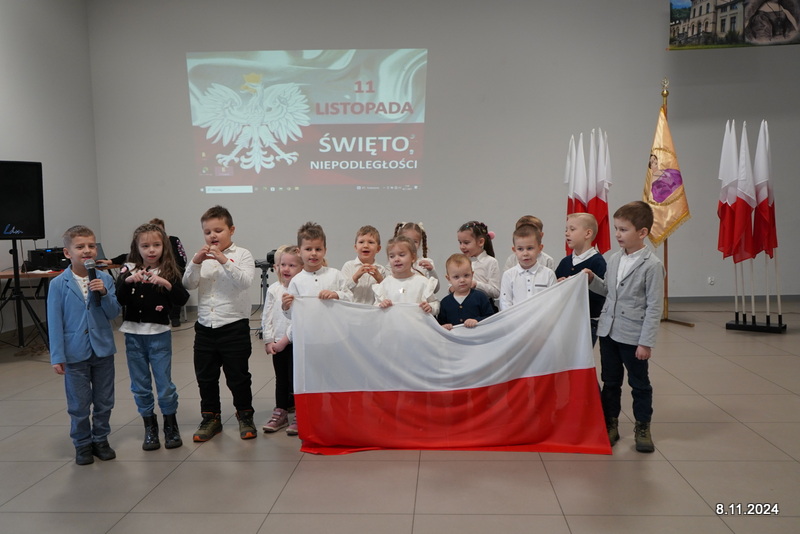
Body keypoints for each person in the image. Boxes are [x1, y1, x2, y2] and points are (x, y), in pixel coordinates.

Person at [584, 201, 665, 453]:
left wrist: (646, 342)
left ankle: (643, 427)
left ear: (642, 232)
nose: (617, 234)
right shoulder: (614, 258)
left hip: (633, 336)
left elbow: (654, 307)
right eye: (616, 229)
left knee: (639, 384)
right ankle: (610, 424)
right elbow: (609, 291)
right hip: (608, 331)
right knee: (610, 381)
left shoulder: (652, 265)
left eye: (623, 229)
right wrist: (592, 279)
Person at [47, 225, 122, 465]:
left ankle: (101, 439)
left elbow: (114, 313)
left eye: (91, 246)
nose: (87, 251)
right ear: (67, 252)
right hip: (74, 353)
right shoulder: (58, 284)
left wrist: (105, 294)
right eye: (80, 247)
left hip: (103, 350)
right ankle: (82, 443)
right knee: (79, 403)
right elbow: (54, 322)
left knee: (104, 400)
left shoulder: (105, 278)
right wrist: (57, 355)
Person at [182, 205, 256, 442]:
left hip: (234, 326)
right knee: (206, 377)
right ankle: (211, 418)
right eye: (207, 232)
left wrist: (224, 260)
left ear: (231, 230)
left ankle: (245, 416)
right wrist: (195, 262)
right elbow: (188, 284)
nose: (212, 236)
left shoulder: (242, 254)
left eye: (218, 230)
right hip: (205, 326)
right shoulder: (201, 257)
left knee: (238, 377)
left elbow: (244, 282)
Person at [116, 223, 190, 450]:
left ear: (164, 246)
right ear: (136, 247)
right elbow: (119, 298)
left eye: (156, 245)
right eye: (145, 246)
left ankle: (170, 425)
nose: (151, 250)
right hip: (133, 336)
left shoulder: (169, 270)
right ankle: (149, 426)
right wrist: (128, 281)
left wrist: (165, 284)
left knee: (164, 384)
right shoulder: (128, 269)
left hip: (159, 336)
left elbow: (182, 298)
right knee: (140, 384)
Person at [282, 221, 352, 436]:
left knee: (336, 380)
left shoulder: (335, 275)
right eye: (308, 249)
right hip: (309, 342)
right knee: (312, 381)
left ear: (325, 250)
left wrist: (337, 294)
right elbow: (292, 317)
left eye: (318, 249)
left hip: (334, 339)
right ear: (299, 251)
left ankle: (338, 418)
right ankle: (311, 418)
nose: (313, 253)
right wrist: (286, 307)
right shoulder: (296, 281)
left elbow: (350, 298)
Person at [261, 245, 303, 434]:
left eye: (292, 265)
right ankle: (281, 411)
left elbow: (297, 320)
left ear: (302, 267)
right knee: (281, 379)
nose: (286, 269)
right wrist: (269, 340)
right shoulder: (274, 289)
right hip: (278, 343)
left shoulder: (300, 291)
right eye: (282, 264)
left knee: (296, 380)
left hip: (296, 343)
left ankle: (301, 414)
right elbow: (267, 316)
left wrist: (284, 341)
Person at [555, 213, 607, 346]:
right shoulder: (565, 262)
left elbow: (603, 292)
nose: (567, 233)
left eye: (572, 229)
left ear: (588, 233)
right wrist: (558, 285)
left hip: (588, 321)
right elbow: (554, 288)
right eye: (566, 229)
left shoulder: (597, 261)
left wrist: (588, 281)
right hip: (566, 319)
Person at [374, 235, 439, 315]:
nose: (396, 259)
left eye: (401, 255)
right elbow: (375, 307)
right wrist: (380, 305)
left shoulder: (422, 282)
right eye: (392, 256)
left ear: (413, 257)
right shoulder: (385, 284)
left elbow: (435, 303)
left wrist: (430, 307)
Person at [499, 224, 556, 311]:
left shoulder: (548, 274)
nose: (525, 253)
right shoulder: (508, 275)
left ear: (540, 248)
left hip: (542, 318)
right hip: (516, 319)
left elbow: (553, 302)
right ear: (514, 250)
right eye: (520, 249)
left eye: (530, 248)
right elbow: (505, 303)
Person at [438, 253, 495, 330]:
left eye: (466, 275)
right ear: (448, 279)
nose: (462, 280)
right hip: (455, 337)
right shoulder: (445, 302)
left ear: (472, 274)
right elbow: (440, 324)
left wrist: (477, 320)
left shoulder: (480, 297)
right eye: (456, 277)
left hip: (477, 336)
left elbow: (491, 318)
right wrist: (445, 326)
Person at [149, 218, 188, 327]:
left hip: (174, 270)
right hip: (157, 271)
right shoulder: (151, 245)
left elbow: (183, 258)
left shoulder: (174, 240)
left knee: (174, 280)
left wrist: (172, 268)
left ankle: (175, 316)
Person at [341, 225, 387, 305]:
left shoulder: (381, 270)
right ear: (355, 247)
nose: (365, 246)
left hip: (372, 311)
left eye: (371, 242)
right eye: (361, 242)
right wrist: (355, 277)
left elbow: (385, 295)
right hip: (350, 309)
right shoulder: (348, 266)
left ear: (378, 249)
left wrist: (380, 279)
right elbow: (342, 290)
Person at [457, 221, 500, 300]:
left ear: (480, 242)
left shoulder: (491, 262)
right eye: (460, 242)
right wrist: (452, 288)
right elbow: (452, 284)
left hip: (483, 305)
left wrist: (476, 285)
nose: (462, 247)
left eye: (466, 243)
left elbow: (496, 292)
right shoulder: (460, 261)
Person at [392, 222, 440, 291]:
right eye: (407, 240)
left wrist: (431, 271)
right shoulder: (395, 263)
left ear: (419, 243)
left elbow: (435, 289)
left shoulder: (426, 263)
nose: (411, 244)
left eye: (415, 241)